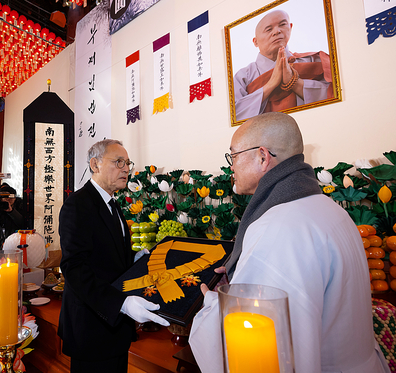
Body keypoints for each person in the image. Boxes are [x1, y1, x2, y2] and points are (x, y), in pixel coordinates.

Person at [189, 112, 389, 373]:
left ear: (262, 157)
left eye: (234, 156)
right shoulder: (331, 210)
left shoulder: (276, 228)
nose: (231, 166)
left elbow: (264, 342)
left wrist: (214, 304)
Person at [58, 139, 169, 373]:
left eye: (127, 163)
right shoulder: (78, 204)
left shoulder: (113, 204)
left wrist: (136, 259)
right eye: (118, 162)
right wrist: (122, 303)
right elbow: (74, 268)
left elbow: (108, 255)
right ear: (95, 164)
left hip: (115, 326)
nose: (126, 169)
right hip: (91, 327)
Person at [234, 9, 333, 121]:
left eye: (282, 24)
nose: (277, 31)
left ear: (290, 27)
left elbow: (335, 95)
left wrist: (295, 83)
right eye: (269, 29)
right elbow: (234, 117)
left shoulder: (314, 60)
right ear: (255, 42)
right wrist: (270, 84)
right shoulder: (242, 77)